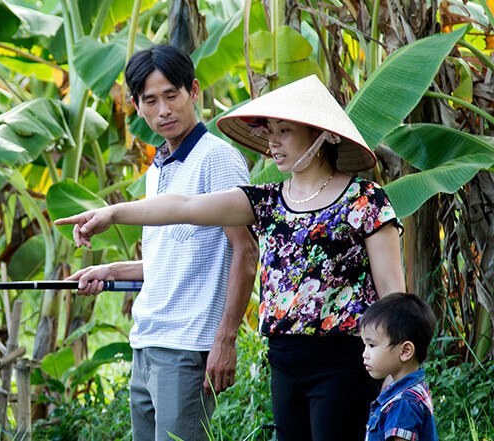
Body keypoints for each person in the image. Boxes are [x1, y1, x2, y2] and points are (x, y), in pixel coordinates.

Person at [54, 74, 406, 441]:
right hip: (284, 359)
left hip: (345, 359)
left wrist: (397, 372)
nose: (273, 142)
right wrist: (112, 214)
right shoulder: (268, 201)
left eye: (284, 131)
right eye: (271, 131)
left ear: (319, 135)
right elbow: (185, 206)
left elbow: (392, 294)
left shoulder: (365, 200)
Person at [64, 44, 258, 441]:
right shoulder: (158, 167)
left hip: (188, 347)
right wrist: (111, 270)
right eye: (151, 100)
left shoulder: (216, 158)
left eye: (172, 95)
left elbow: (245, 250)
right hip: (146, 342)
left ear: (194, 91)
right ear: (136, 105)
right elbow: (172, 260)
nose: (164, 110)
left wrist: (225, 339)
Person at [359, 292, 438, 441]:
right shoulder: (409, 391)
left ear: (405, 351)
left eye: (372, 345)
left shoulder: (403, 403)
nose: (365, 354)